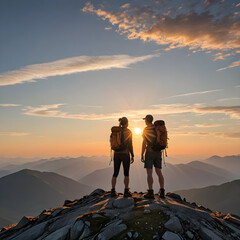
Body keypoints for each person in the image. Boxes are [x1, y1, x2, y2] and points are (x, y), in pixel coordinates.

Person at [141, 115, 165, 198]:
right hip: (158, 152)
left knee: (149, 173)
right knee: (159, 172)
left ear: (147, 121)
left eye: (145, 120)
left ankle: (150, 192)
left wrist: (142, 153)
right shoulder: (157, 128)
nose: (144, 121)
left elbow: (144, 142)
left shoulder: (146, 129)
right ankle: (162, 191)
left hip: (149, 152)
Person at [111, 117, 134, 197]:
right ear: (127, 123)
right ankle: (126, 191)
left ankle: (113, 190)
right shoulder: (128, 132)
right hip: (125, 154)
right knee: (126, 173)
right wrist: (132, 154)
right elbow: (130, 144)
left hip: (116, 154)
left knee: (115, 173)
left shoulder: (115, 131)